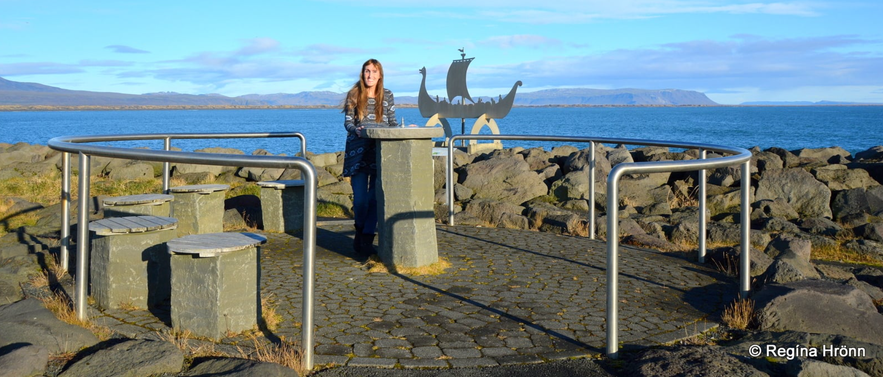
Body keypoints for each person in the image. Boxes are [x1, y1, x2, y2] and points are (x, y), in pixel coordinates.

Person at [342, 59, 398, 256]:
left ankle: (366, 239)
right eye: (367, 71)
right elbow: (347, 122)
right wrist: (356, 130)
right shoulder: (354, 94)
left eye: (374, 71)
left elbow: (392, 123)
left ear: (380, 75)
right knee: (360, 200)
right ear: (362, 73)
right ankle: (359, 230)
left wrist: (405, 130)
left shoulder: (388, 95)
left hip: (379, 151)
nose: (370, 75)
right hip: (357, 151)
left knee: (375, 198)